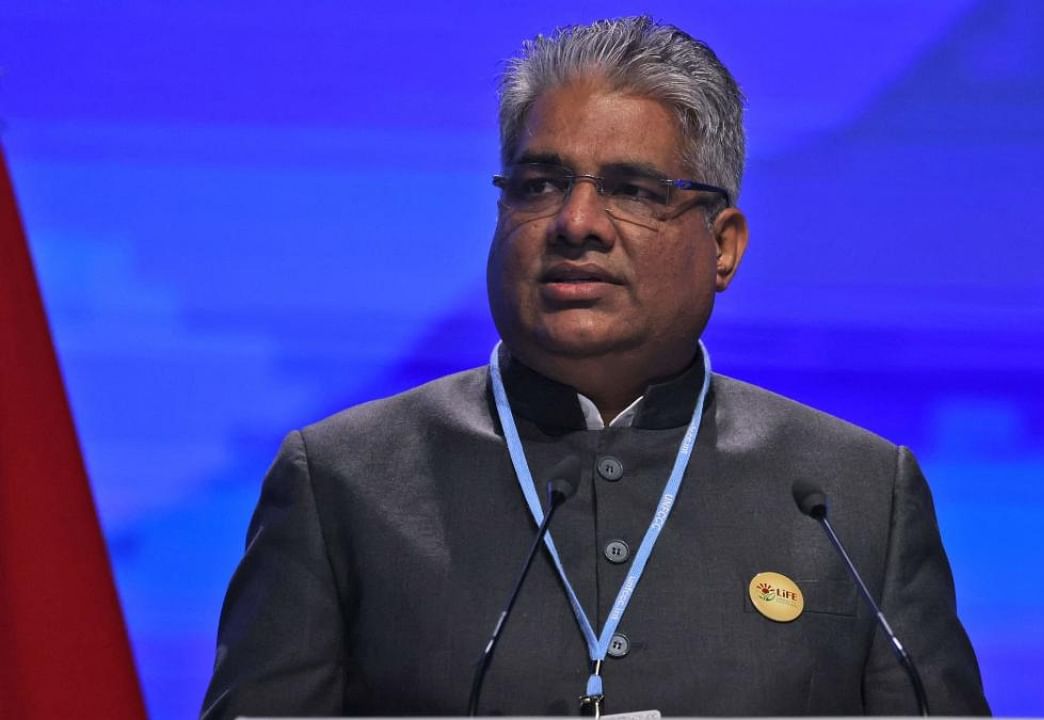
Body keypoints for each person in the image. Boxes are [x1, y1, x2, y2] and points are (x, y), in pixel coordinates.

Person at [202, 16, 988, 718]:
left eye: (632, 189)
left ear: (723, 246)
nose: (576, 223)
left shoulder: (852, 498)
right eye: (539, 185)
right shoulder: (342, 483)